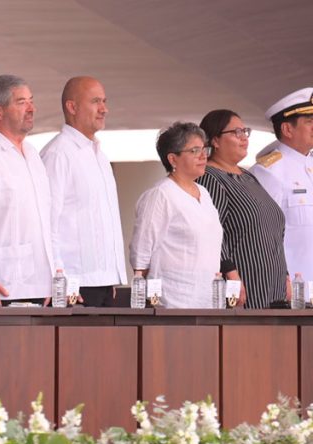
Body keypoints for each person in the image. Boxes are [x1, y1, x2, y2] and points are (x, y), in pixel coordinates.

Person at [0, 75, 55, 305]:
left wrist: (54, 273)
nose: (31, 108)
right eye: (21, 102)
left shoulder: (34, 154)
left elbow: (47, 220)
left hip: (42, 285)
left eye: (31, 101)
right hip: (2, 284)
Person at [39, 76, 126, 306]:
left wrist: (111, 275)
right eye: (96, 101)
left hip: (103, 282)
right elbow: (47, 222)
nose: (104, 109)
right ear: (72, 106)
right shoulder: (58, 154)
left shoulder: (100, 155)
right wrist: (59, 277)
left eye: (104, 101)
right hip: (74, 284)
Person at [197, 110, 287, 309]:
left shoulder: (248, 176)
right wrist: (230, 274)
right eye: (236, 132)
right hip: (243, 289)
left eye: (245, 131)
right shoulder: (209, 178)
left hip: (274, 287)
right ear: (215, 140)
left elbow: (272, 229)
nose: (244, 137)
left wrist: (286, 276)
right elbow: (211, 232)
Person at [129, 123, 222, 308]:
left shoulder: (204, 192)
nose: (203, 156)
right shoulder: (160, 195)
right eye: (195, 150)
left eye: (204, 149)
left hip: (208, 301)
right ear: (173, 158)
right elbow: (141, 254)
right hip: (173, 303)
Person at [251, 88, 313, 284]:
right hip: (294, 289)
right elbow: (262, 236)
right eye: (310, 122)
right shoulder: (268, 172)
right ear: (287, 129)